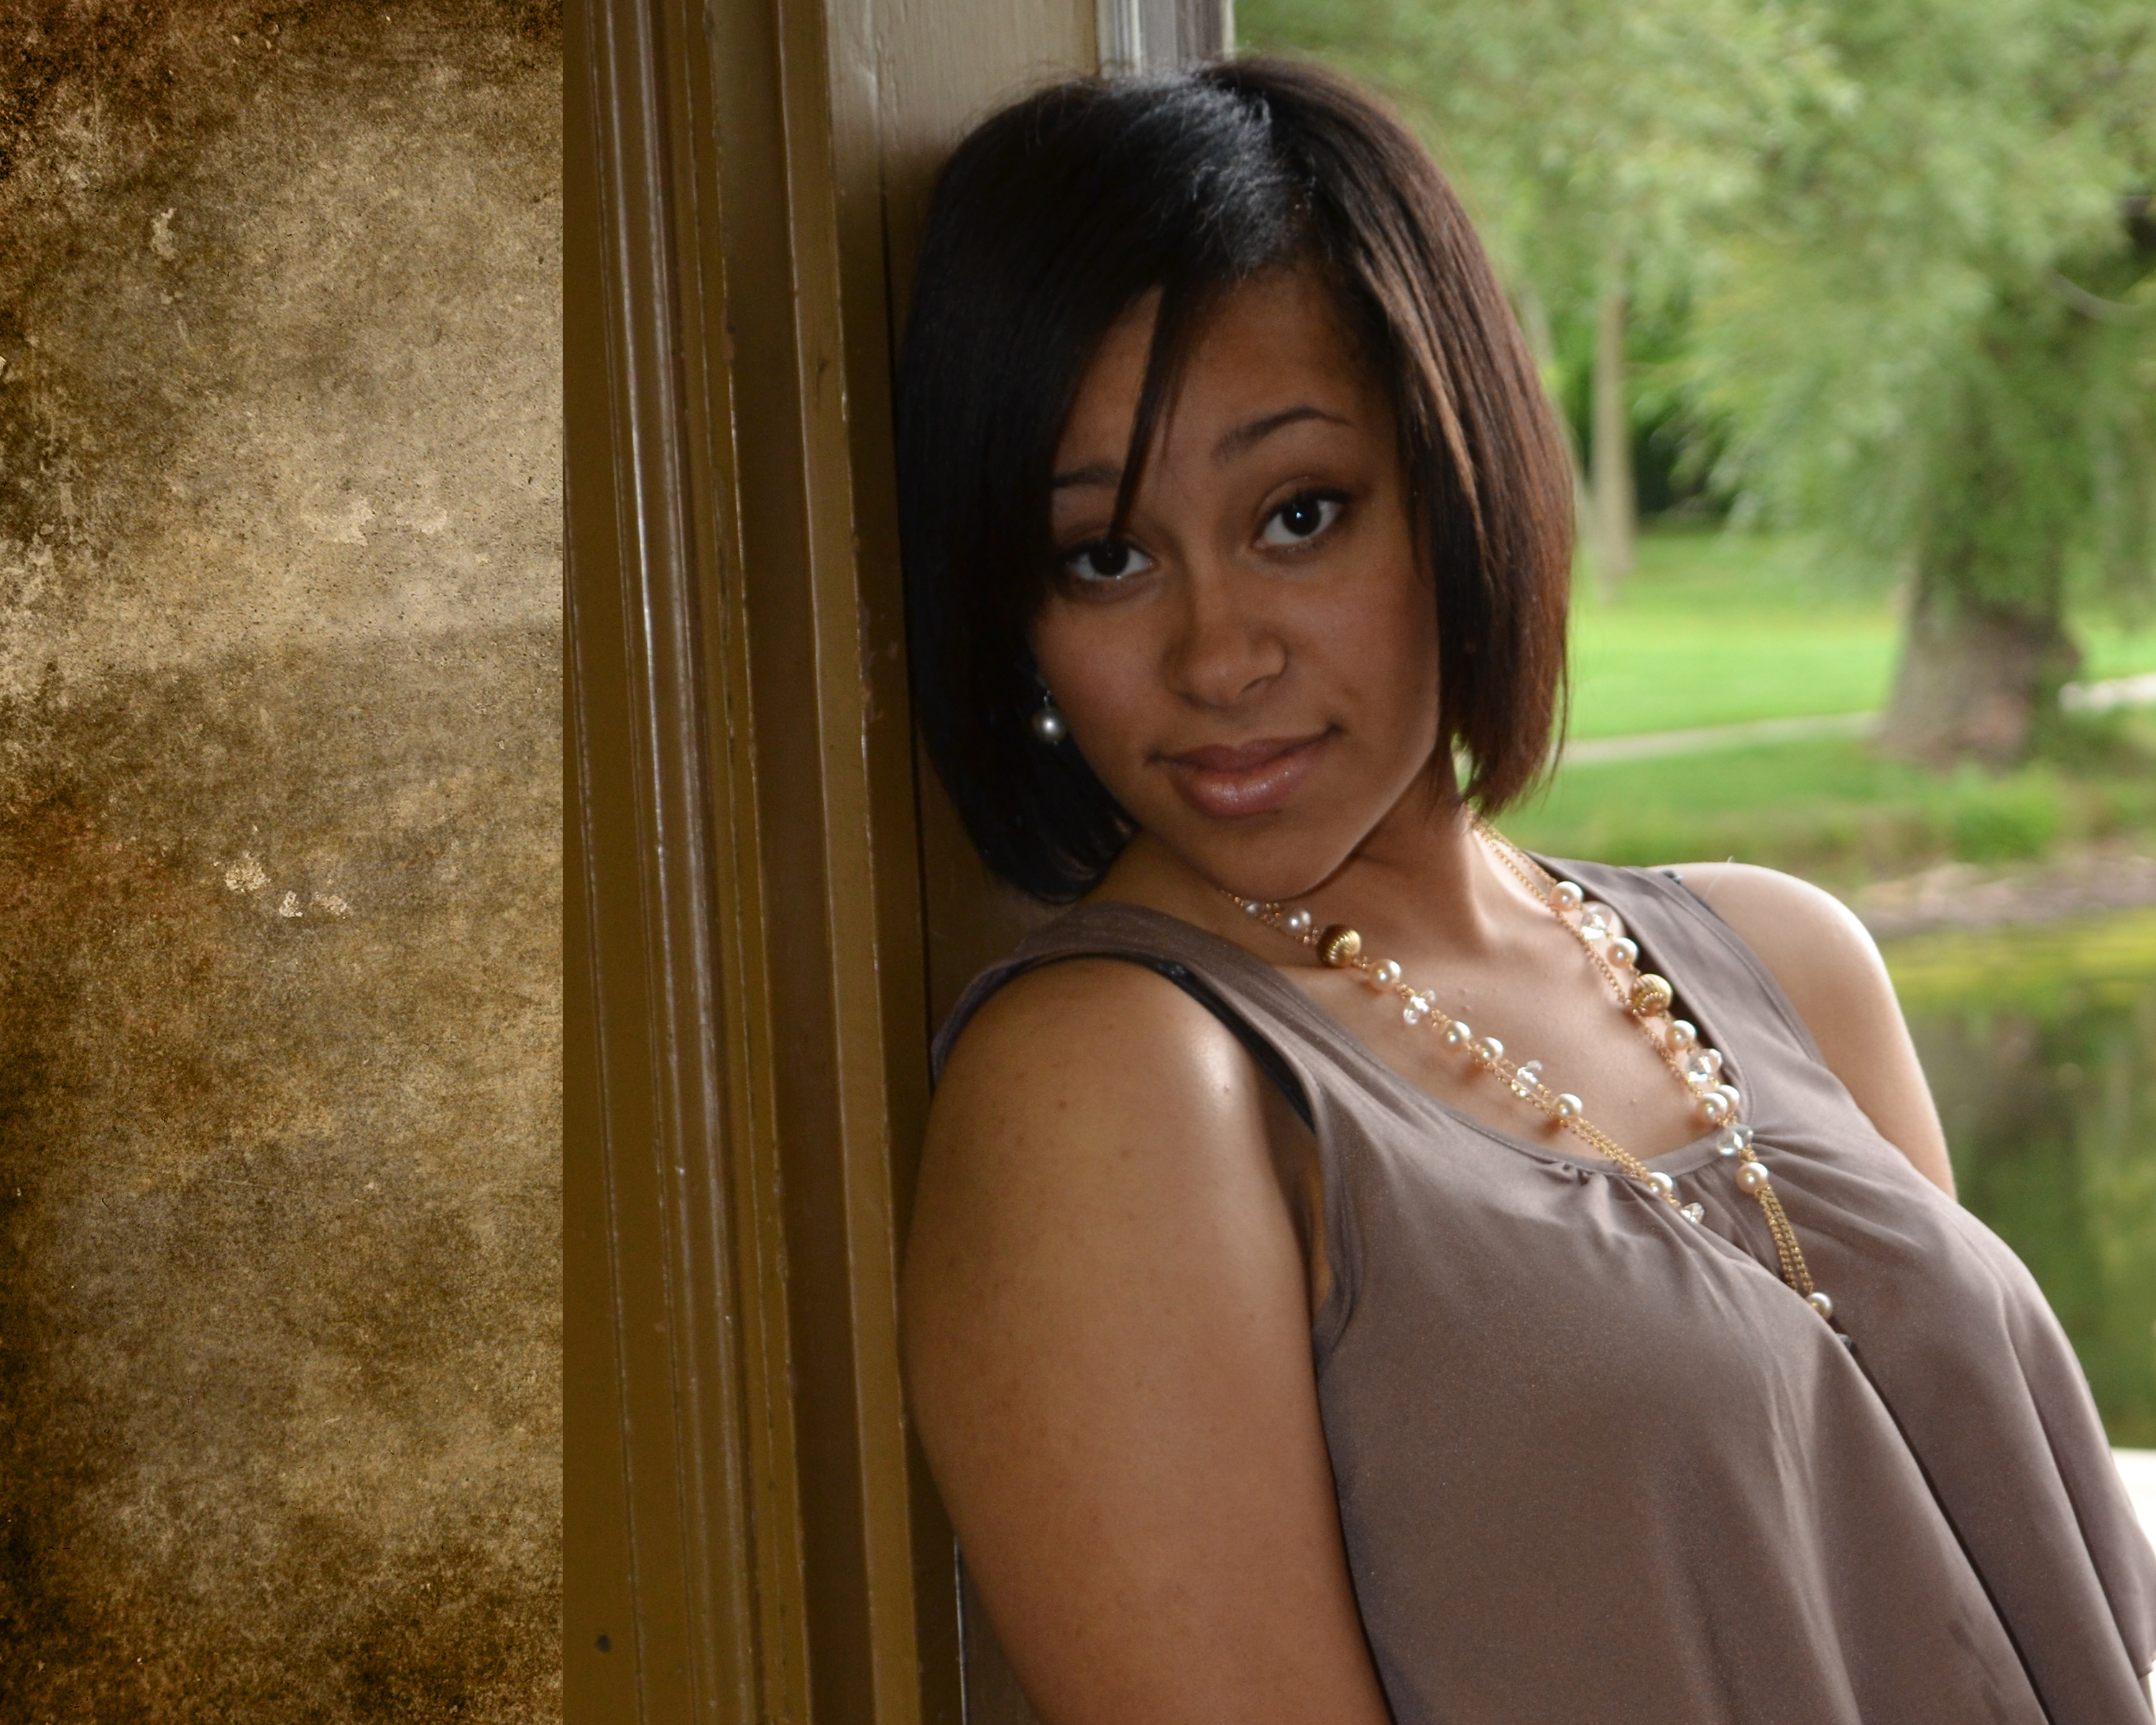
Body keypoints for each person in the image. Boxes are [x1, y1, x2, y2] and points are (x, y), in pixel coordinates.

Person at [894, 58, 2156, 1725]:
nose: (1216, 655)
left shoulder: (1786, 956)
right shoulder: (1119, 1090)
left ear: (1459, 488)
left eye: (1298, 514)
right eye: (1105, 557)